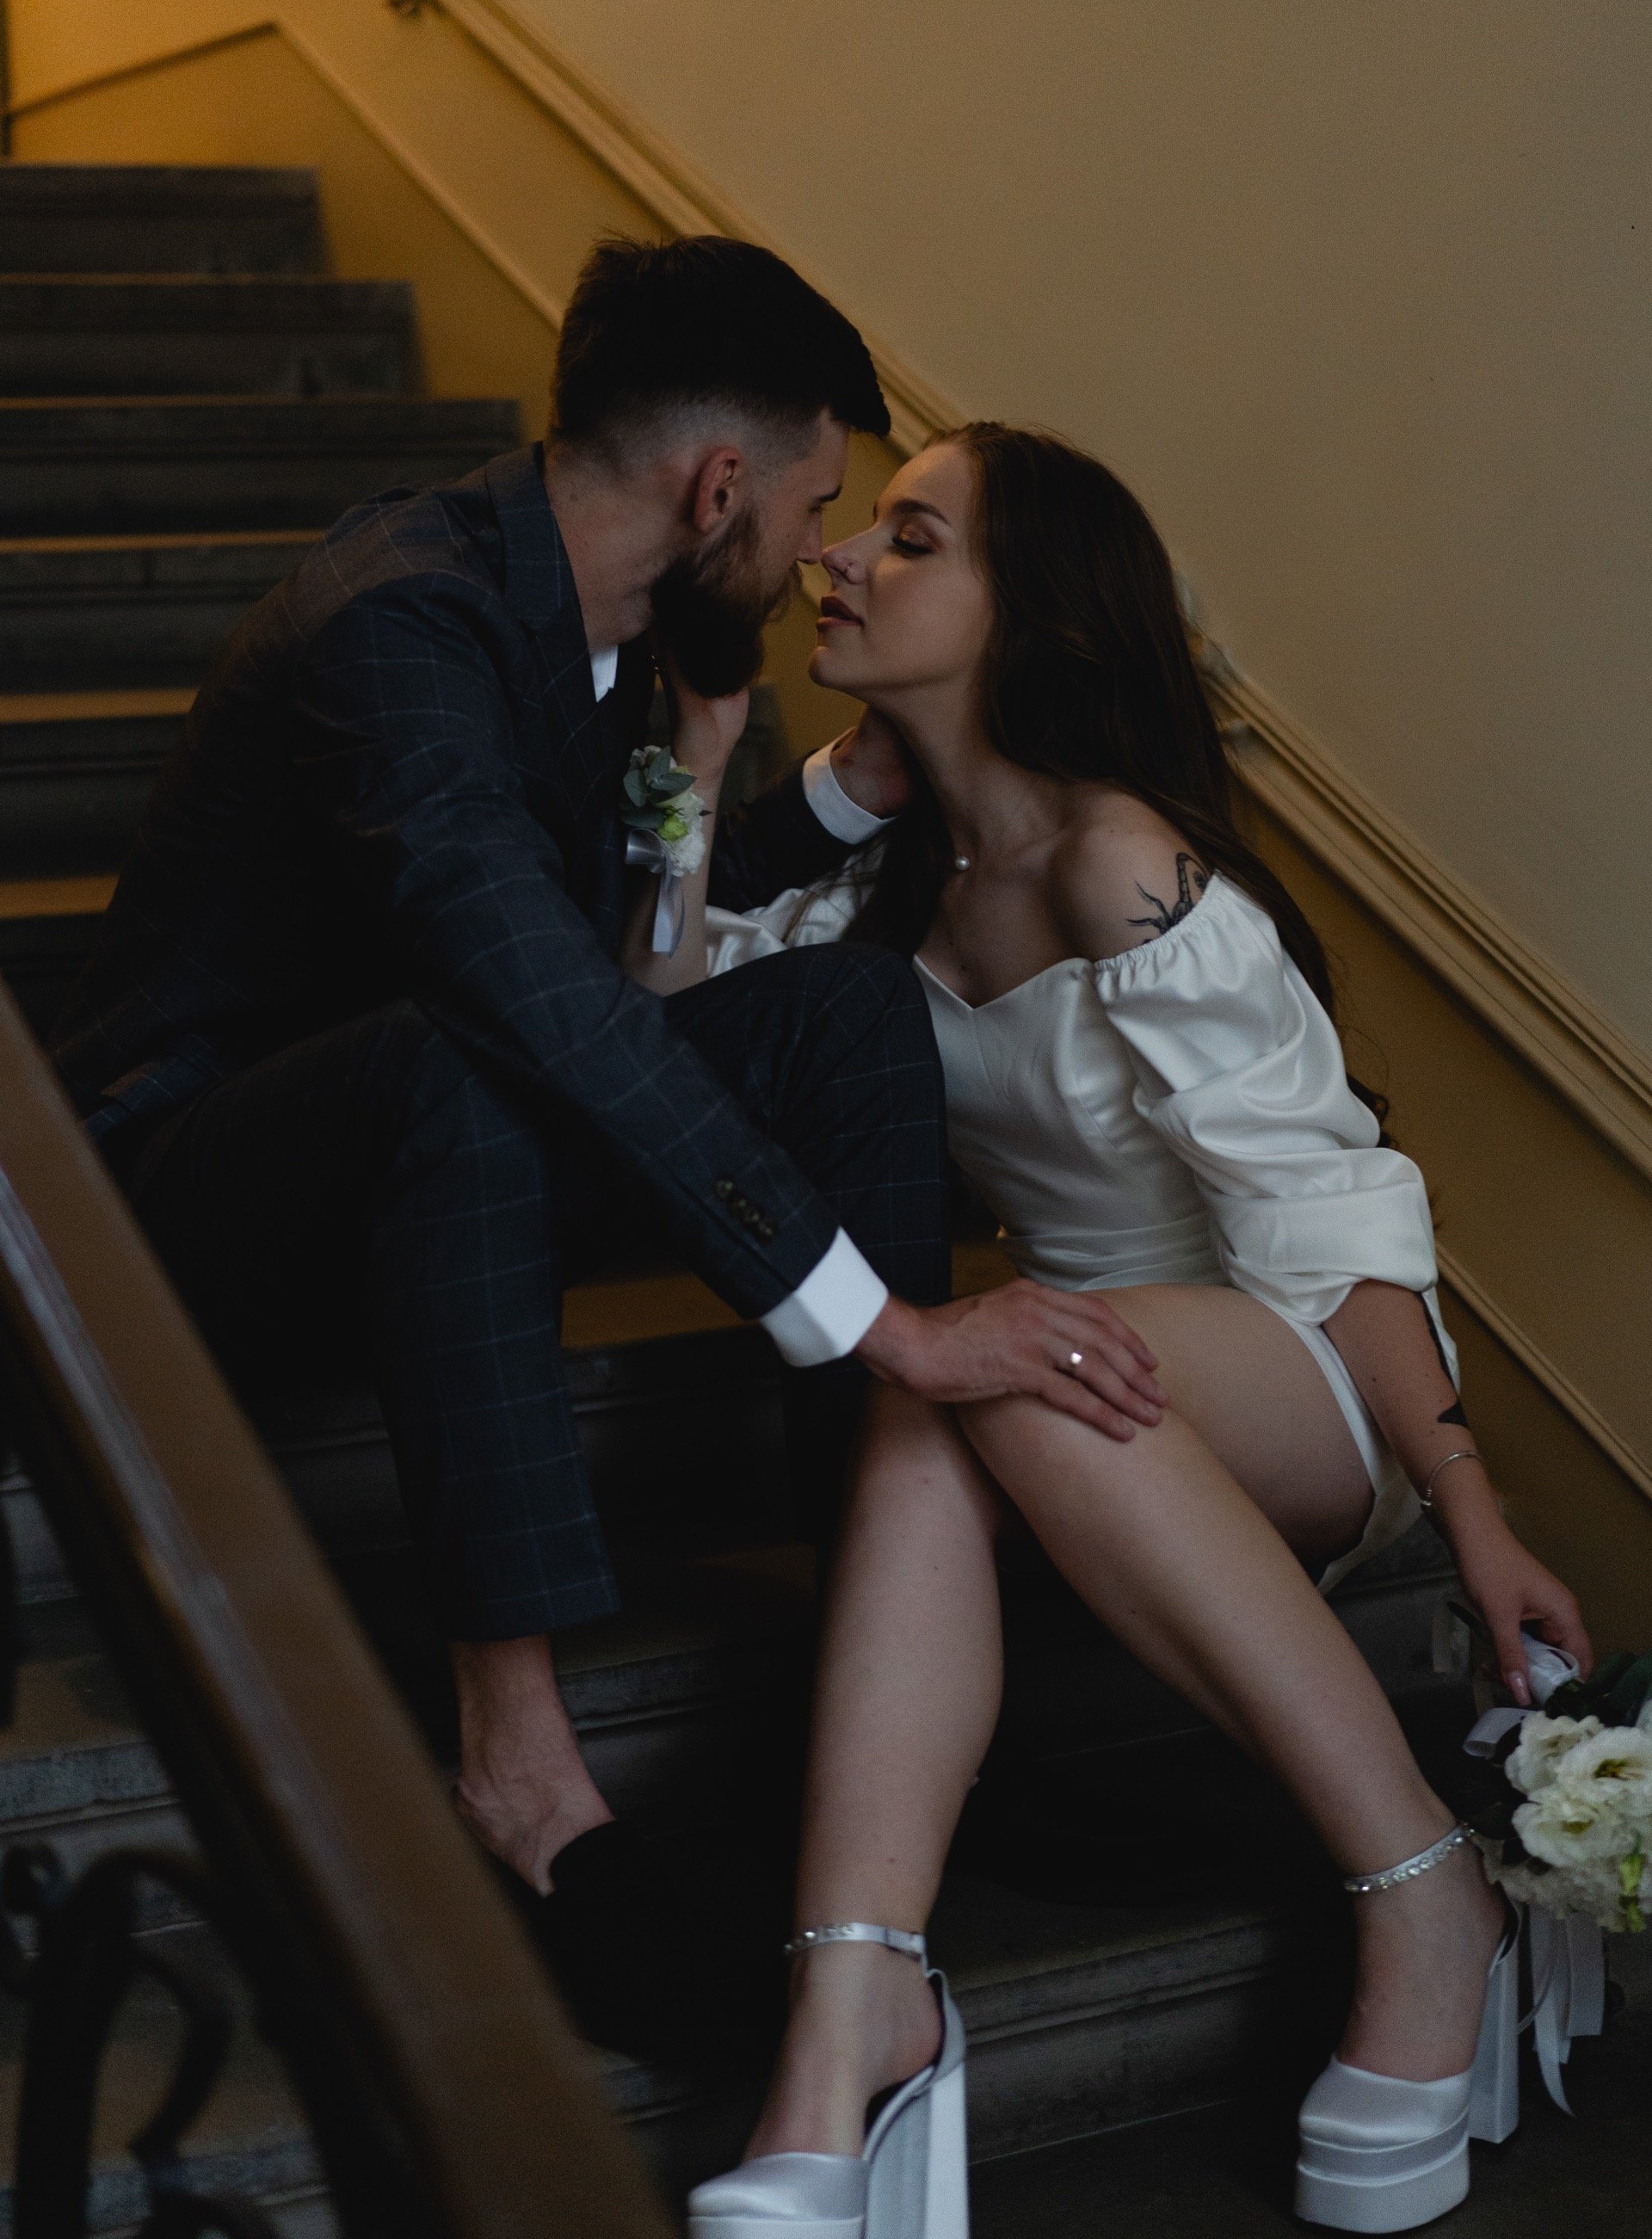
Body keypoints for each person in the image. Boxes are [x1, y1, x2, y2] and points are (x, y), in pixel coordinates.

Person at [50, 252, 1167, 2046]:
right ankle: (525, 1785)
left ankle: (887, 1675)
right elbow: (533, 991)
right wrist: (888, 1325)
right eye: (814, 503)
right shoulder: (395, 624)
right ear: (716, 488)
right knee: (463, 1057)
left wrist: (839, 792)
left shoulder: (629, 624)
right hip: (191, 1206)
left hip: (445, 1172)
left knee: (854, 1017)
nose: (821, 551)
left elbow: (670, 908)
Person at [675, 424, 1590, 2235]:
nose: (837, 561)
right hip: (1072, 1385)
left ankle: (1424, 1892)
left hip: (1296, 1370)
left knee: (999, 1348)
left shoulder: (1124, 867)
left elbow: (1331, 1221)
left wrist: (1468, 1505)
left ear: (1033, 612)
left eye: (912, 538)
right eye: (858, 532)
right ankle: (849, 2002)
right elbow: (658, 1005)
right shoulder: (892, 897)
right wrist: (782, 775)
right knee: (948, 1389)